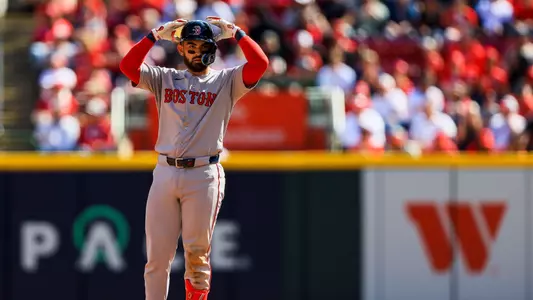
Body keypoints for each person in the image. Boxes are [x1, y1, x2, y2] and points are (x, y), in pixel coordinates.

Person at [119, 17, 268, 300]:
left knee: (196, 255)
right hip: (165, 171)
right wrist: (153, 36)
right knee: (156, 258)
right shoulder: (165, 77)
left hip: (203, 173)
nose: (195, 52)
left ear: (212, 48)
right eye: (189, 46)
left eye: (201, 45)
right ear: (181, 48)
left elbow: (259, 64)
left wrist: (237, 34)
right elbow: (128, 67)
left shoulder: (226, 81)